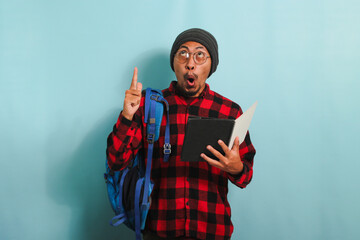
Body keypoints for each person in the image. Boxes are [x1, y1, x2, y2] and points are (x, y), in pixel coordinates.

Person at [106, 28, 256, 240]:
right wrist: (127, 115)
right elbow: (116, 162)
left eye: (200, 55)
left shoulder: (230, 112)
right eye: (183, 53)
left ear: (211, 64)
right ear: (174, 63)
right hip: (159, 231)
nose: (190, 62)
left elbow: (246, 176)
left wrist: (236, 167)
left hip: (211, 231)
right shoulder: (150, 105)